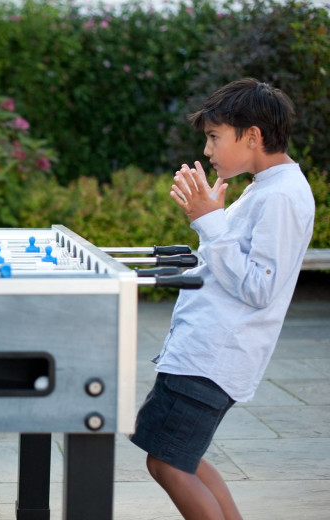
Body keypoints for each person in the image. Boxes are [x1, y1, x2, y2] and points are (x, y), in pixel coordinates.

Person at [130, 78, 315, 519]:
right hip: (202, 351)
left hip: (214, 356)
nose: (208, 151)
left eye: (214, 137)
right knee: (178, 457)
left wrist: (210, 222)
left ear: (252, 136)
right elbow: (230, 261)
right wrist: (206, 229)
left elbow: (259, 287)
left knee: (169, 463)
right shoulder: (264, 187)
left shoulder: (283, 196)